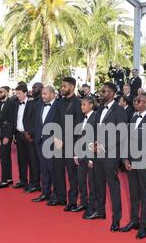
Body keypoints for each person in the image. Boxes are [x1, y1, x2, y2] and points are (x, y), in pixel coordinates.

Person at [85, 82, 127, 232]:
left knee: (113, 187)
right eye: (102, 91)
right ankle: (100, 211)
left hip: (110, 154)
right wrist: (93, 146)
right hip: (97, 154)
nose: (103, 93)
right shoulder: (100, 109)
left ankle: (116, 219)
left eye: (106, 91)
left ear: (114, 93)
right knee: (98, 184)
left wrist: (104, 146)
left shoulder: (119, 110)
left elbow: (121, 133)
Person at [121, 93, 146, 239]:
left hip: (143, 162)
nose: (136, 102)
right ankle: (134, 220)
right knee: (133, 193)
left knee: (144, 194)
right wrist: (126, 159)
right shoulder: (133, 117)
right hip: (131, 161)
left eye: (139, 101)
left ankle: (144, 225)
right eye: (135, 100)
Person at [52, 77, 82, 210]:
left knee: (72, 174)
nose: (62, 88)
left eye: (64, 86)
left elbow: (78, 125)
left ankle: (73, 201)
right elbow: (56, 121)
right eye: (61, 86)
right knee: (58, 170)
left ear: (72, 86)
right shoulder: (59, 102)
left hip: (72, 143)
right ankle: (61, 197)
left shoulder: (78, 103)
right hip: (58, 142)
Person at [32, 86, 61, 204]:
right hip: (40, 141)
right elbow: (37, 122)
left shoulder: (58, 106)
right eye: (42, 94)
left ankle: (56, 195)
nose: (42, 96)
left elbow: (61, 124)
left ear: (52, 94)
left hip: (52, 143)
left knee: (53, 170)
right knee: (43, 169)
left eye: (45, 94)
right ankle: (45, 192)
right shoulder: (39, 105)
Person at [12, 84, 41, 193]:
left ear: (25, 93)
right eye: (17, 93)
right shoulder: (15, 104)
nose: (18, 95)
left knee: (32, 160)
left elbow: (36, 121)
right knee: (21, 160)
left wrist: (31, 134)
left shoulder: (33, 104)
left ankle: (35, 184)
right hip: (19, 135)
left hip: (29, 136)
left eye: (19, 93)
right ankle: (23, 180)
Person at [74, 96, 97, 215]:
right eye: (81, 104)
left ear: (91, 105)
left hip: (91, 155)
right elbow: (78, 137)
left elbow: (97, 139)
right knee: (81, 180)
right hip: (81, 154)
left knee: (92, 183)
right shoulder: (82, 118)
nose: (82, 106)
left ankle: (92, 207)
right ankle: (83, 203)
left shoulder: (96, 117)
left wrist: (93, 158)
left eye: (84, 104)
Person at [0, 86, 15, 189]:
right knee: (6, 156)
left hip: (7, 133)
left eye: (1, 92)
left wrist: (8, 136)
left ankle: (4, 181)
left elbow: (12, 121)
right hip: (1, 133)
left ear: (7, 92)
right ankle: (9, 178)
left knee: (3, 156)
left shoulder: (10, 103)